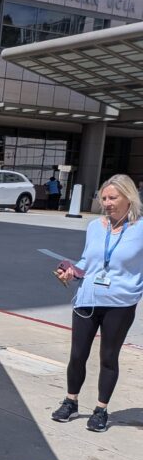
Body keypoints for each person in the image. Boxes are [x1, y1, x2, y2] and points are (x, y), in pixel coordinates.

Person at [51, 174, 143, 432]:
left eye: (113, 197)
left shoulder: (140, 229)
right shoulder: (94, 226)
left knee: (108, 357)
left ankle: (101, 409)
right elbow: (85, 263)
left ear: (128, 197)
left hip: (120, 304)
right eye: (103, 198)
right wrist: (70, 270)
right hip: (87, 299)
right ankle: (71, 403)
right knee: (78, 354)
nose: (107, 203)